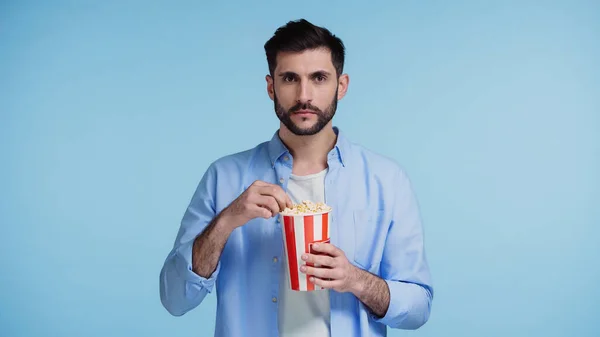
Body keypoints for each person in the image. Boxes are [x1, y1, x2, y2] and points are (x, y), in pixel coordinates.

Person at [159, 18, 433, 337]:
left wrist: (355, 279)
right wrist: (227, 220)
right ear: (271, 86)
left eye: (319, 78)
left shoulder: (386, 180)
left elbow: (418, 308)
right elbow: (175, 299)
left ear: (341, 86)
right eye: (290, 78)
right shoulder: (224, 176)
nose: (304, 95)